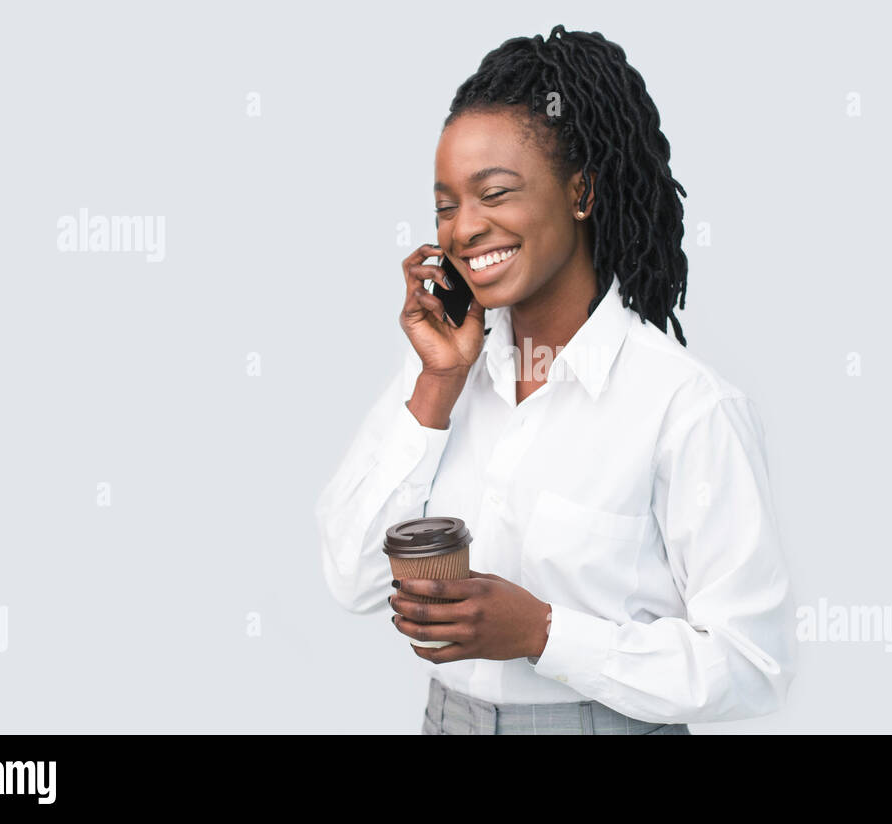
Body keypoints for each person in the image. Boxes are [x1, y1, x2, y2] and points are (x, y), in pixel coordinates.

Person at [316, 25, 797, 735]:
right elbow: (352, 577)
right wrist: (436, 386)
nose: (465, 229)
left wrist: (544, 632)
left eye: (496, 193)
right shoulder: (446, 378)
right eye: (447, 204)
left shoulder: (683, 406)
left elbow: (752, 665)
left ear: (580, 191)